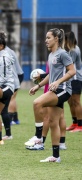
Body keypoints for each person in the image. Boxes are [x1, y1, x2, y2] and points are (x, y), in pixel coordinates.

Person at [28, 28, 75, 162]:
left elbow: (72, 71)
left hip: (63, 90)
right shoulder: (51, 55)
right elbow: (50, 75)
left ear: (56, 39)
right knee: (54, 122)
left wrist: (58, 82)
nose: (46, 40)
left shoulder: (63, 54)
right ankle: (56, 156)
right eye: (46, 38)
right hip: (55, 90)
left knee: (37, 103)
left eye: (48, 38)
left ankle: (38, 136)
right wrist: (38, 86)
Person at [64, 31, 82, 132]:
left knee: (76, 102)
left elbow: (69, 66)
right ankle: (74, 123)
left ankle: (80, 125)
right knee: (70, 102)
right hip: (70, 79)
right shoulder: (70, 50)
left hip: (76, 78)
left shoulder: (74, 50)